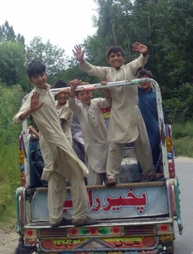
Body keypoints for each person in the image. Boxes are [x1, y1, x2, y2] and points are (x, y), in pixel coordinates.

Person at [13, 61, 98, 227]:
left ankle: (55, 218)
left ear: (46, 74)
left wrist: (72, 88)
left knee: (56, 177)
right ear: (30, 80)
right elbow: (16, 119)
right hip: (55, 141)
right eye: (35, 77)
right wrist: (31, 109)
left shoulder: (48, 92)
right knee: (77, 173)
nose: (39, 79)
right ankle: (80, 216)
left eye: (41, 75)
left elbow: (62, 94)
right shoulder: (33, 97)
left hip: (51, 141)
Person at [73, 42, 156, 186]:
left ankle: (150, 173)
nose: (115, 58)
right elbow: (91, 69)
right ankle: (111, 176)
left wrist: (144, 53)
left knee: (142, 143)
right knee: (114, 145)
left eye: (118, 55)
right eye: (112, 56)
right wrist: (81, 60)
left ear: (123, 58)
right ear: (108, 60)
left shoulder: (130, 67)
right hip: (117, 113)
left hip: (133, 112)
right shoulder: (106, 72)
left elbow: (140, 61)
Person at [68, 80, 111, 185]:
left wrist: (105, 88)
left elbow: (108, 101)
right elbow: (71, 104)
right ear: (78, 97)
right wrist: (73, 89)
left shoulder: (96, 102)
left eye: (87, 93)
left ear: (91, 93)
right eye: (82, 94)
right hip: (91, 147)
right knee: (95, 181)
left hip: (105, 144)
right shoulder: (79, 109)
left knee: (110, 176)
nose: (85, 96)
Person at [137, 69, 162, 172]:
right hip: (141, 125)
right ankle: (142, 172)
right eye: (141, 80)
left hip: (153, 125)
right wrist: (138, 68)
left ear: (151, 80)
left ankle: (155, 171)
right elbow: (130, 81)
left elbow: (160, 112)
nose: (144, 82)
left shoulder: (156, 93)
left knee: (154, 147)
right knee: (141, 148)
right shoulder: (138, 93)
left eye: (146, 79)